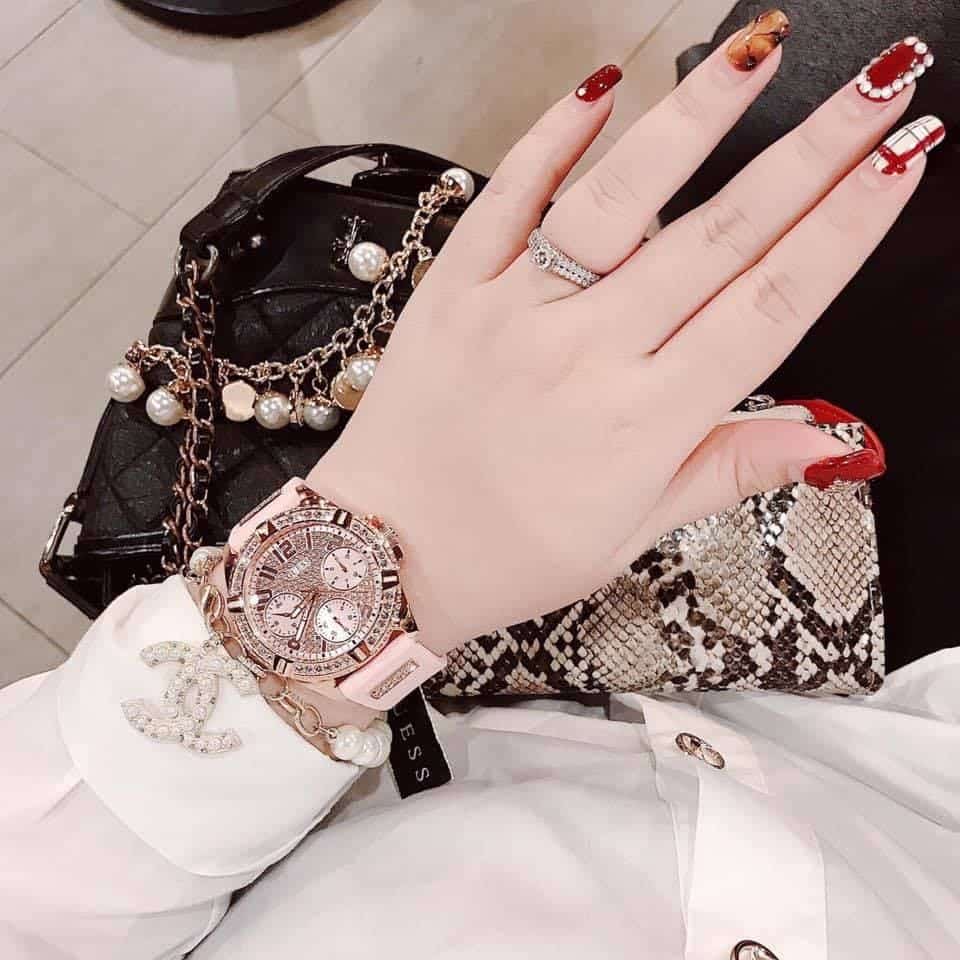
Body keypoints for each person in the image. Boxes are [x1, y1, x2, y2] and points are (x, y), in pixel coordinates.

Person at [2, 12, 958, 959]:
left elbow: (38, 889)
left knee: (841, 72)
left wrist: (377, 554)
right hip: (904, 720)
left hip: (415, 660)